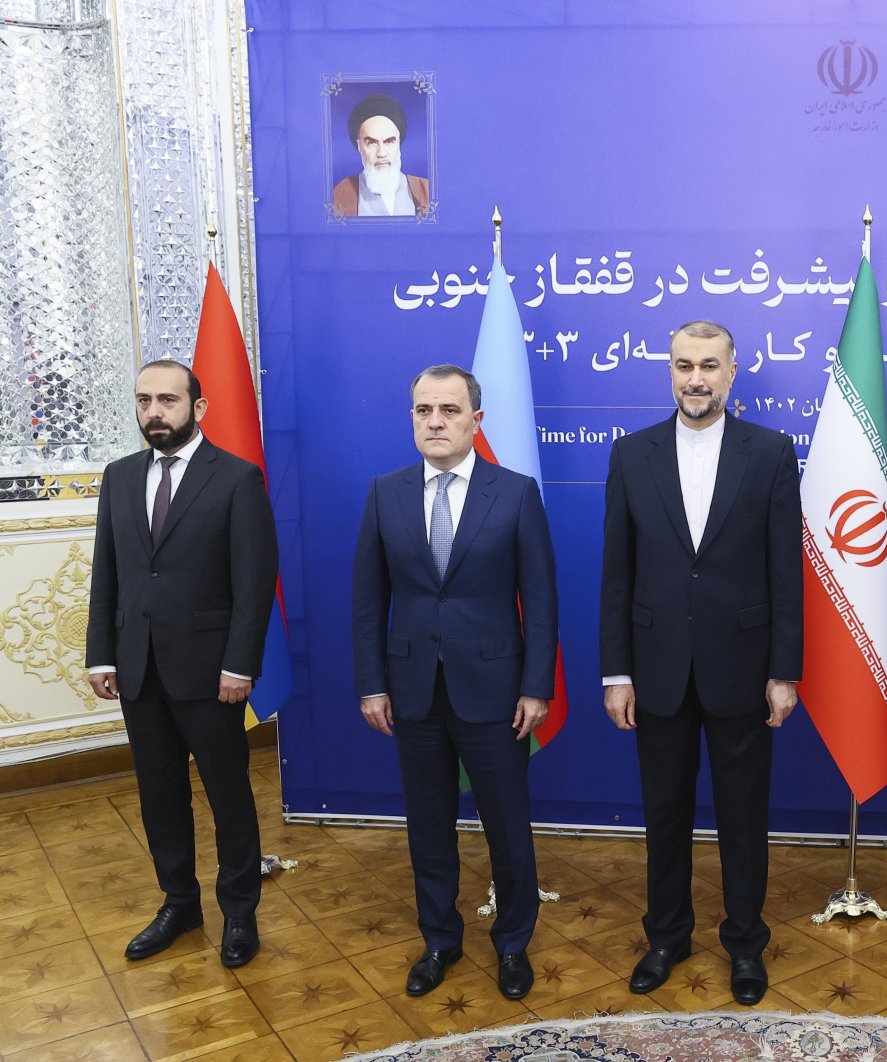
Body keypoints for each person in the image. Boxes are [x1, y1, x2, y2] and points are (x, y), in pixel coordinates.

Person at [599, 319, 802, 1007]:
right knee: (664, 815)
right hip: (655, 670)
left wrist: (784, 671)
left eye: (709, 365)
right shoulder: (632, 455)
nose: (696, 378)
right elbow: (616, 574)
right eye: (684, 364)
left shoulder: (771, 453)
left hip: (743, 669)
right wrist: (615, 672)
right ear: (669, 370)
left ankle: (746, 944)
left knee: (745, 818)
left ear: (733, 372)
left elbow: (785, 572)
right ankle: (667, 937)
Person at [352, 365, 557, 1001]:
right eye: (422, 411)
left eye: (448, 410)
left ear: (476, 420)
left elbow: (541, 600)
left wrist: (535, 686)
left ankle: (514, 944)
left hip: (496, 692)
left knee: (507, 826)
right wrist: (371, 684)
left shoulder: (515, 492)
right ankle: (440, 939)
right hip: (412, 691)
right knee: (428, 826)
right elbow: (368, 599)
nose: (434, 422)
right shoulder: (385, 492)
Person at [86, 359, 278, 969]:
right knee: (159, 794)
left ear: (198, 408)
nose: (154, 412)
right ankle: (179, 902)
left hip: (212, 673)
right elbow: (108, 574)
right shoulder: (118, 477)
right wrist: (100, 654)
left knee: (228, 795)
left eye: (167, 400)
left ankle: (239, 910)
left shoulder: (236, 479)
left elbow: (255, 582)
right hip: (138, 669)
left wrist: (240, 664)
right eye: (144, 400)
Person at [331, 92, 431, 218]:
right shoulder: (339, 195)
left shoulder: (428, 191)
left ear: (398, 143)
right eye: (372, 143)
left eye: (389, 141)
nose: (381, 153)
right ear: (359, 146)